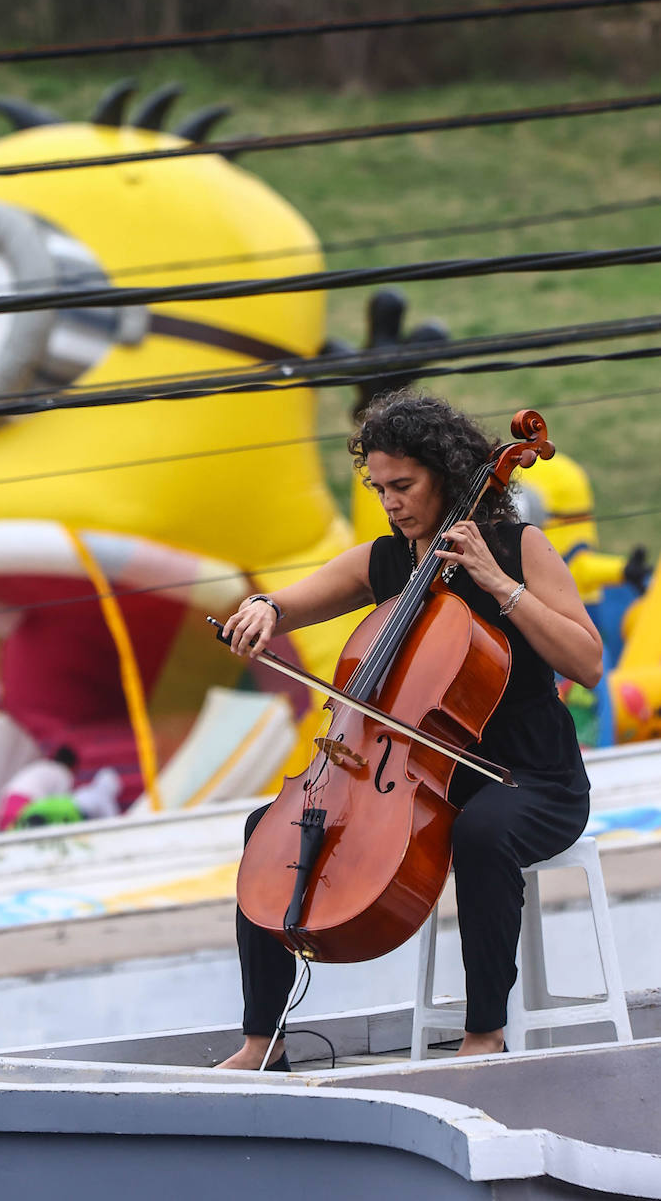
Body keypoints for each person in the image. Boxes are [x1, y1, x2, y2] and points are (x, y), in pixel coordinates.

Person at [217, 390, 602, 1069]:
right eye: (378, 488)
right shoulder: (389, 563)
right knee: (265, 829)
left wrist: (497, 583)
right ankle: (262, 1041)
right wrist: (263, 608)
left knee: (483, 832)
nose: (391, 502)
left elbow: (589, 660)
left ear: (445, 475)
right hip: (424, 782)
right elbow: (291, 600)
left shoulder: (517, 547)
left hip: (529, 779)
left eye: (404, 485)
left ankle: (485, 1031)